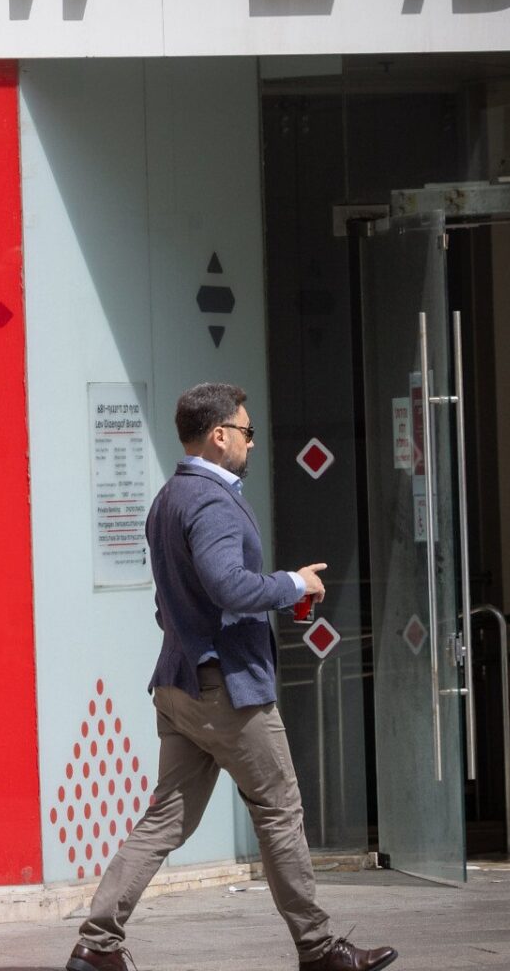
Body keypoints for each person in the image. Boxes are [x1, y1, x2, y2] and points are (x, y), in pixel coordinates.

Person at [65, 384, 399, 971]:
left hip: (179, 684)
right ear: (219, 436)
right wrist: (293, 584)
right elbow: (227, 585)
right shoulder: (212, 501)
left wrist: (230, 617)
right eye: (246, 431)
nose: (251, 442)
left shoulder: (168, 499)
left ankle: (97, 944)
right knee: (279, 809)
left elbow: (171, 605)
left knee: (166, 819)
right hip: (227, 690)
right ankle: (319, 948)